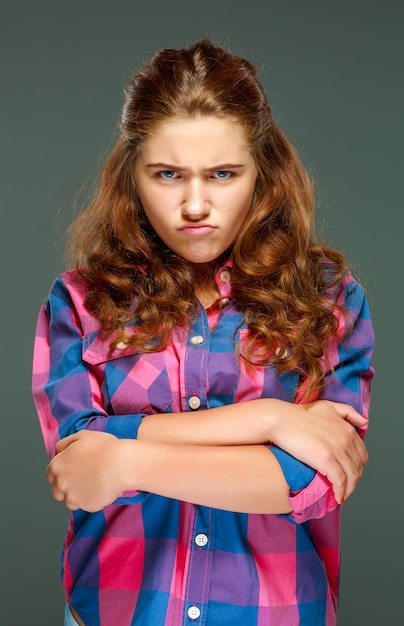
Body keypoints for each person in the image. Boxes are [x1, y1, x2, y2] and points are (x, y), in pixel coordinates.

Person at [32, 39, 374, 626]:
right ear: (131, 176)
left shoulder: (328, 298)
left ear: (262, 174)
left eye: (222, 174)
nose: (195, 204)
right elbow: (81, 469)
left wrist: (128, 461)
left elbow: (313, 479)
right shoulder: (81, 301)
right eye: (167, 174)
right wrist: (269, 421)